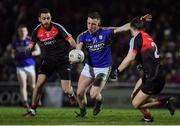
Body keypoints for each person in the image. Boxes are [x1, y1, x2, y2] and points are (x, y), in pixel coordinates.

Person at [74, 12, 150, 117]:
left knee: (93, 94)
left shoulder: (106, 31)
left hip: (104, 68)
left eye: (93, 24)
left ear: (99, 24)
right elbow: (78, 49)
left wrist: (140, 20)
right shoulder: (82, 36)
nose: (90, 26)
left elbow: (125, 27)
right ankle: (83, 113)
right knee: (79, 93)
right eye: (88, 23)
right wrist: (76, 55)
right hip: (89, 67)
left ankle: (99, 101)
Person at [117, 16, 176, 122]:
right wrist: (141, 19)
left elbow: (130, 58)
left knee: (136, 104)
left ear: (131, 27)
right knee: (133, 96)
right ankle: (148, 117)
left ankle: (165, 101)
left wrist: (117, 71)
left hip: (153, 78)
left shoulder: (137, 39)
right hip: (153, 74)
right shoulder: (145, 35)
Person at [24, 8, 77, 117]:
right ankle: (32, 110)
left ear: (51, 18)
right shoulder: (36, 31)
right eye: (44, 18)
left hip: (63, 60)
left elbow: (71, 41)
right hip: (49, 61)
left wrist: (76, 52)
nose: (46, 20)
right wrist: (28, 50)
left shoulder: (57, 27)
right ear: (39, 19)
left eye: (48, 18)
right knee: (38, 85)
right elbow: (31, 45)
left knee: (66, 90)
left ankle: (71, 94)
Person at [11, 24, 41, 108]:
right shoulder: (15, 42)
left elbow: (38, 51)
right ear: (18, 32)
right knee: (23, 85)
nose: (22, 32)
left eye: (24, 31)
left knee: (32, 86)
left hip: (30, 66)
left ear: (27, 32)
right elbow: (12, 53)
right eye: (21, 31)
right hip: (20, 66)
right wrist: (14, 56)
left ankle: (36, 101)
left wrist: (31, 53)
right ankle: (25, 102)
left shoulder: (30, 40)